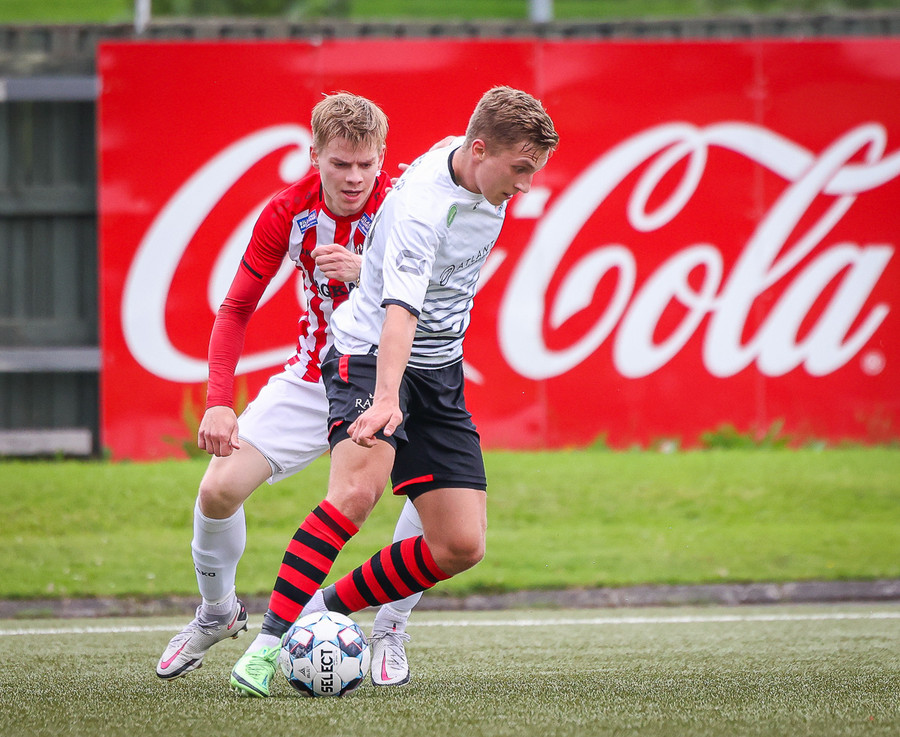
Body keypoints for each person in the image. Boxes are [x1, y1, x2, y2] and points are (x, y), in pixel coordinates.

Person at [229, 85, 559, 698]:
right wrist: (386, 398)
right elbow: (399, 312)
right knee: (356, 494)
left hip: (439, 369)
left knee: (460, 545)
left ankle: (316, 610)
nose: (526, 185)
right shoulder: (422, 210)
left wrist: (369, 266)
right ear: (481, 150)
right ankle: (268, 644)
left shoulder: (469, 160)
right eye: (520, 169)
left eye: (533, 170)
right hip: (370, 355)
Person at [156, 92, 425, 685]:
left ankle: (391, 626)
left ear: (383, 158)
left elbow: (446, 290)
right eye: (340, 163)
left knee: (429, 496)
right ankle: (218, 612)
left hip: (402, 375)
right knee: (218, 490)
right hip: (315, 375)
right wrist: (219, 401)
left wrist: (367, 272)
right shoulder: (287, 211)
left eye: (366, 163)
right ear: (314, 156)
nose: (354, 178)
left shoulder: (407, 204)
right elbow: (235, 308)